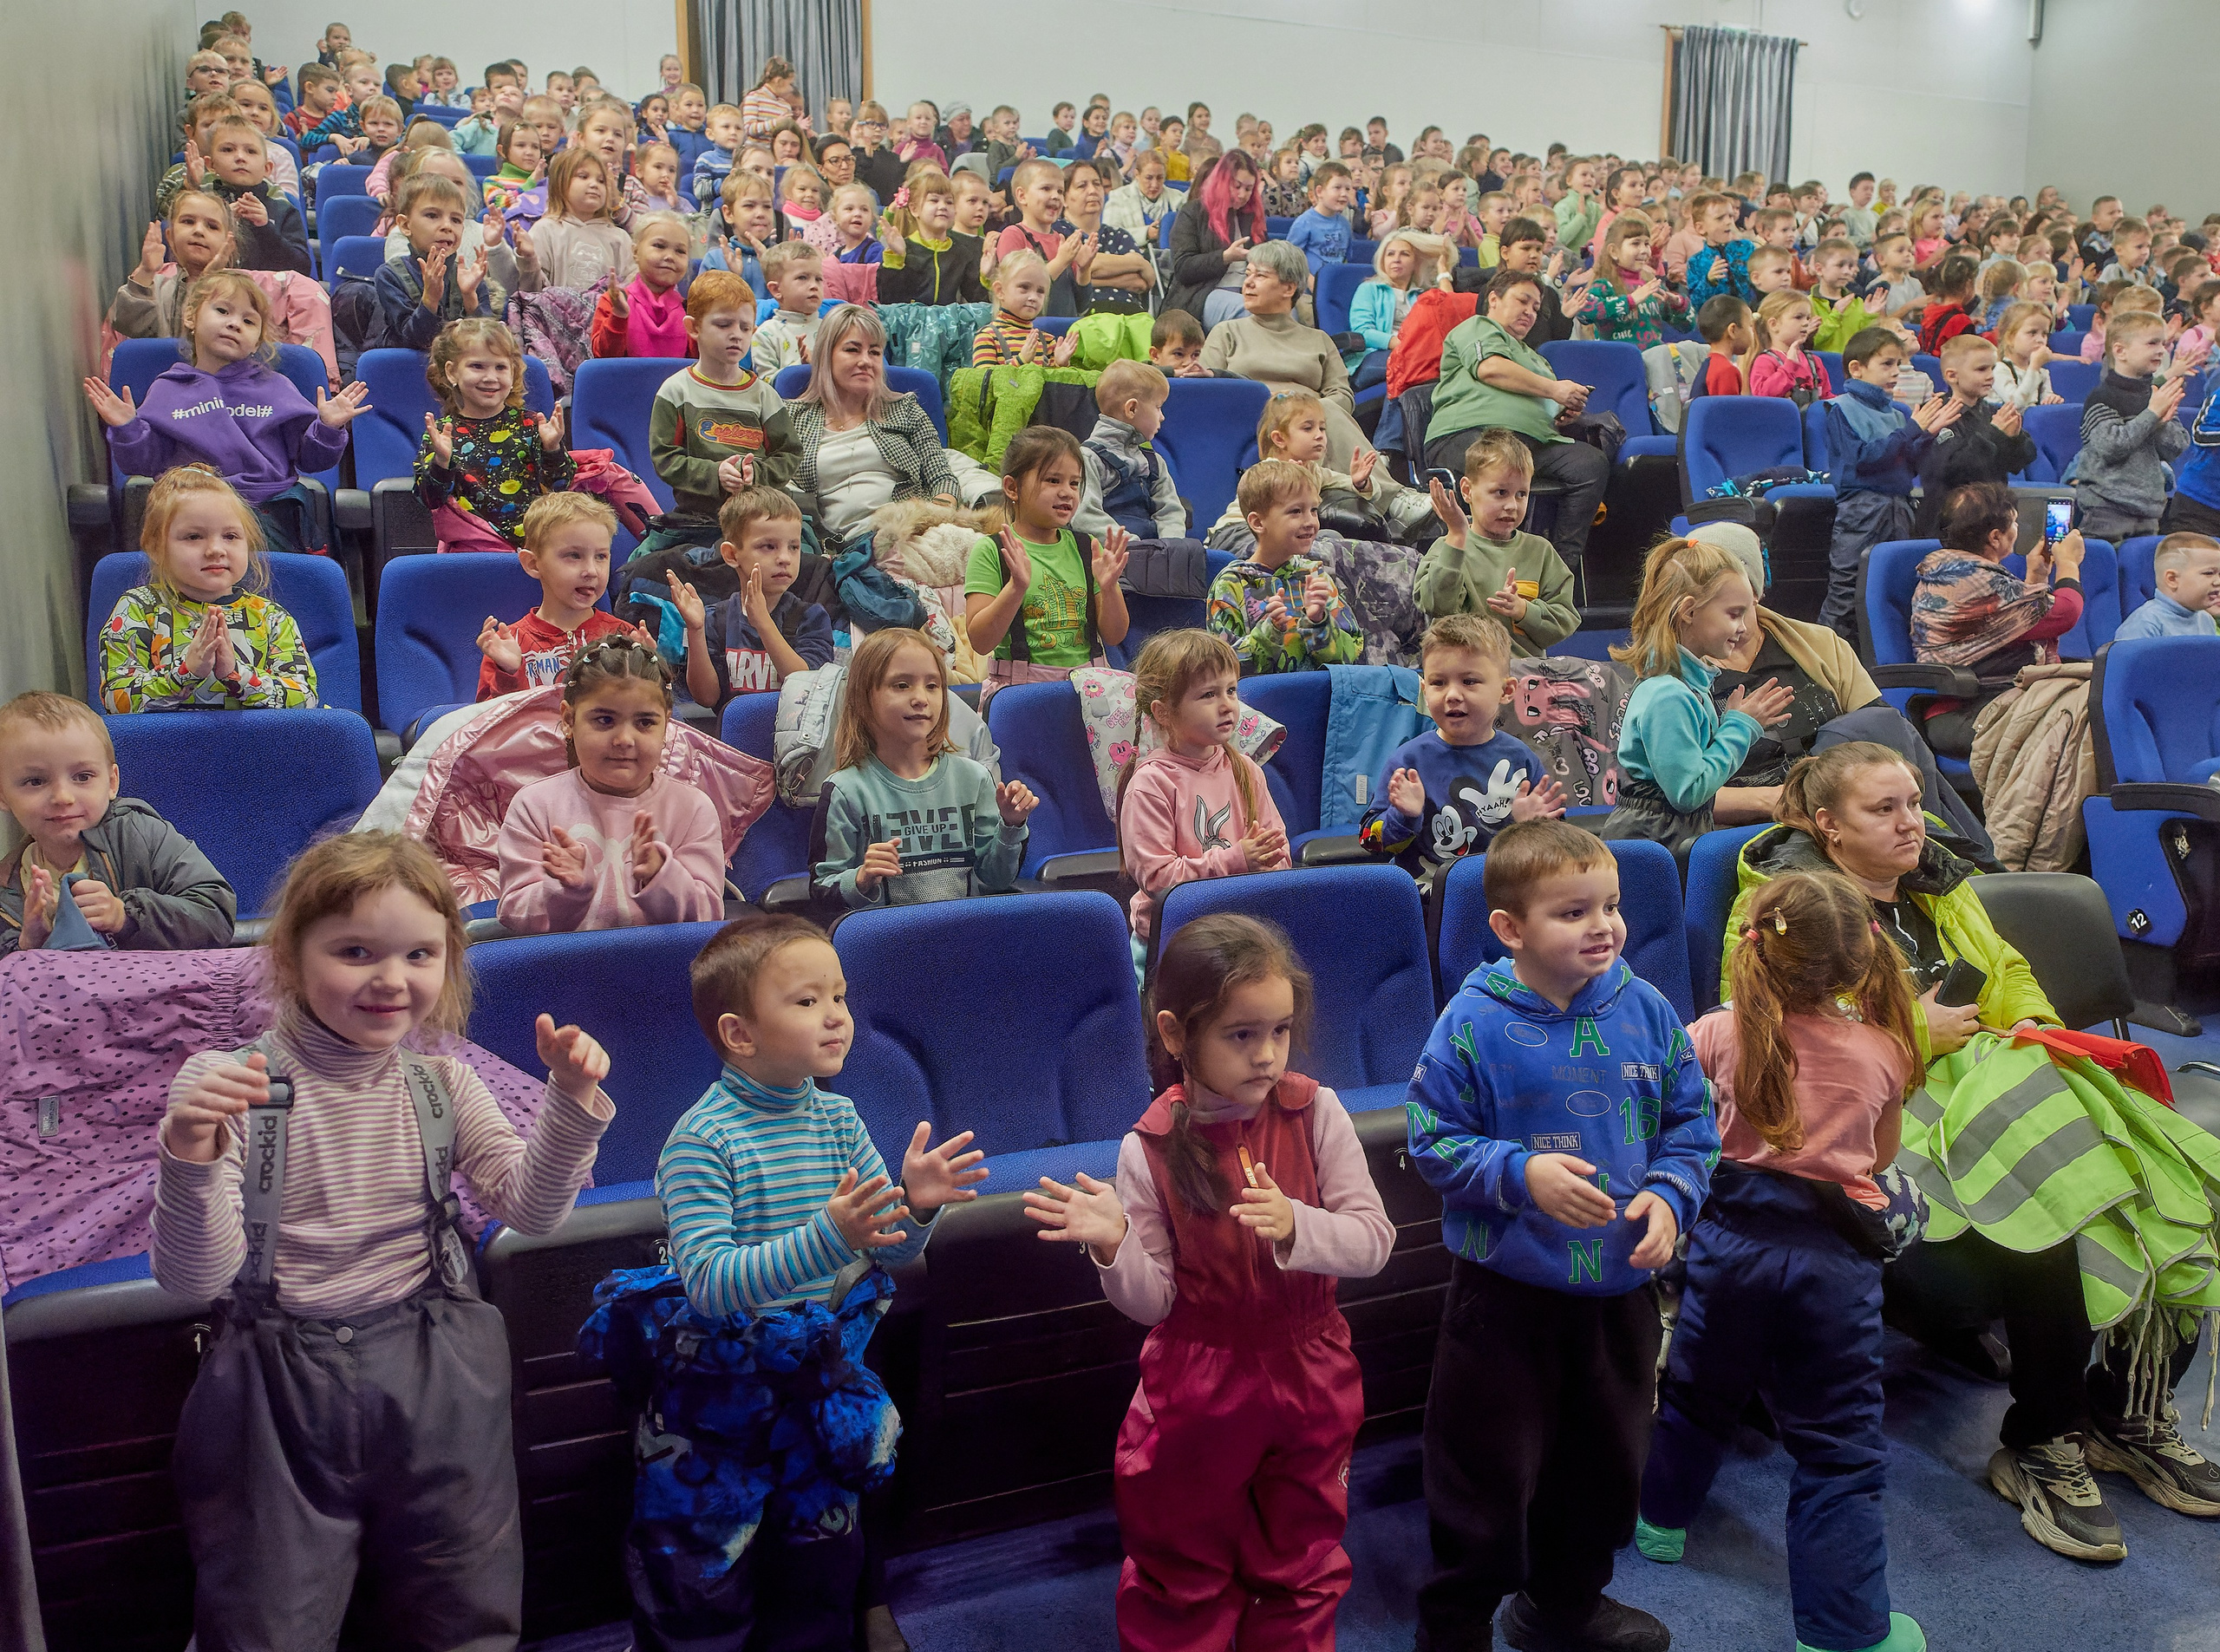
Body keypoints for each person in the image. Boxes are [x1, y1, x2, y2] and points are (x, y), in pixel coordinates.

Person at [1726, 743, 2220, 1562]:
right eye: (1883, 809)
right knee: (2049, 1205)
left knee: (2172, 1174)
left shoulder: (1940, 884)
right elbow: (1771, 1050)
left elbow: (2009, 971)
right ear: (1827, 827)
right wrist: (1917, 1029)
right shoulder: (1784, 910)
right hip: (1889, 1117)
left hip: (1998, 1078)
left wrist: (2027, 1022)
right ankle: (2042, 1440)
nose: (1912, 821)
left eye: (1915, 801)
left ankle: (2128, 1407)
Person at [153, 832, 613, 1647]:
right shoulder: (233, 1083)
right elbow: (197, 1278)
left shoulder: (443, 1081)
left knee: (463, 1605)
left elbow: (531, 1209)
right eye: (355, 950)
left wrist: (571, 1103)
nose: (391, 979)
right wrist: (190, 1155)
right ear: (292, 959)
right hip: (277, 1382)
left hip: (437, 1370)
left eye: (419, 953)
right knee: (266, 1619)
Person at [602, 914, 979, 1647]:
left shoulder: (838, 1119)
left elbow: (889, 1248)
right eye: (807, 1001)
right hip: (720, 1405)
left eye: (838, 995)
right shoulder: (703, 1138)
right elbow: (709, 1282)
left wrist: (918, 1205)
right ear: (740, 1033)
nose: (836, 1015)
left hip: (818, 1386)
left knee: (818, 1574)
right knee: (702, 1585)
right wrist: (829, 1239)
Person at [1022, 911, 1391, 1646]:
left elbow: (1375, 1242)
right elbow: (1152, 1300)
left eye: (1280, 1031)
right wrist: (1114, 1245)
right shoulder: (1149, 1147)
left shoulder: (1316, 1111)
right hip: (1200, 1385)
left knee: (1304, 1559)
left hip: (1311, 1370)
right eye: (1241, 1034)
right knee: (1181, 1565)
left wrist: (1298, 1224)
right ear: (1174, 1033)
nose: (1267, 1055)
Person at [1408, 817, 1717, 1652]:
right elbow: (1431, 1140)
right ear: (1510, 928)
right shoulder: (1471, 1022)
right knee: (1484, 1481)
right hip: (1503, 1302)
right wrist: (1519, 1174)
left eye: (1610, 906)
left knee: (1606, 1471)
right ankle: (1458, 1626)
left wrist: (1668, 1194)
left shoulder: (1646, 1007)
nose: (1604, 926)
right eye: (1573, 912)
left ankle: (1563, 1605)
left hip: (1616, 1296)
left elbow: (1692, 1123)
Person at [1637, 870, 1929, 1652]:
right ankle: (1843, 1632)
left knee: (1697, 1396)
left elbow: (1672, 1125)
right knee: (1838, 1447)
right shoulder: (1883, 1050)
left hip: (1725, 1246)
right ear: (1864, 959)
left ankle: (1660, 1523)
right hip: (1831, 1269)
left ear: (1754, 944)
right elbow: (1882, 1155)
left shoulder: (1712, 1033)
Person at [84, 272, 361, 554]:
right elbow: (140, 463)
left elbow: (314, 460)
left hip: (265, 511)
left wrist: (328, 427)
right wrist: (127, 428)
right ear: (191, 318)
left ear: (257, 341)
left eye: (248, 321)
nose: (234, 324)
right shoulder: (169, 388)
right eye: (222, 311)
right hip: (191, 510)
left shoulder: (276, 387)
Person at [495, 640, 723, 934]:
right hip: (568, 972)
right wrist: (566, 890)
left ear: (666, 725)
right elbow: (514, 914)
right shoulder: (534, 806)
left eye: (644, 723)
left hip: (662, 970)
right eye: (605, 720)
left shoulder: (694, 808)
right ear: (568, 719)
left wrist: (661, 878)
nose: (624, 739)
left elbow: (708, 916)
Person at [1601, 536, 1795, 857]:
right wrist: (1740, 728)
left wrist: (1732, 725)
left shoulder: (1688, 684)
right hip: (1654, 843)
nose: (1745, 628)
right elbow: (1689, 791)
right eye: (1734, 614)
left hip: (1679, 832)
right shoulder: (1668, 695)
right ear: (1689, 611)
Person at [813, 628, 1034, 908]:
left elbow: (996, 879)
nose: (921, 698)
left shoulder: (974, 778)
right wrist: (860, 878)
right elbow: (821, 889)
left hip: (962, 939)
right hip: (886, 945)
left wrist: (1011, 825)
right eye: (901, 685)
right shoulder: (845, 791)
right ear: (864, 697)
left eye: (932, 686)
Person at [0, 690, 234, 954]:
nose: (63, 797)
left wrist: (125, 917)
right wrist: (26, 946)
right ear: (3, 795)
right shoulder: (7, 882)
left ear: (111, 783)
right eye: (35, 781)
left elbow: (216, 915)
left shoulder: (141, 837)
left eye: (83, 777)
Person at [1425, 268, 1610, 578]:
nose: (1530, 312)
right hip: (1472, 436)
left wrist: (1562, 413)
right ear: (1494, 299)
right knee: (1501, 461)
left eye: (1536, 308)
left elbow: (1543, 400)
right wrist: (1554, 389)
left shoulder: (1537, 359)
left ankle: (1559, 573)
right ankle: (1479, 573)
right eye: (1523, 301)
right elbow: (1490, 369)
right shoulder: (1478, 327)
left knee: (1590, 464)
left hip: (1528, 446)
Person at [1117, 630, 1288, 952]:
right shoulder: (1151, 784)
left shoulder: (1246, 770)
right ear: (1163, 712)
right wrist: (1237, 860)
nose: (1227, 706)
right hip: (1176, 942)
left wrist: (1268, 862)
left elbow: (1278, 852)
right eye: (1208, 695)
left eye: (1232, 691)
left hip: (1244, 933)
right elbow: (1157, 879)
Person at [1360, 615, 1566, 877]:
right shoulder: (1408, 763)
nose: (1453, 695)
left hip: (1506, 901)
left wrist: (1530, 829)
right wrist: (1404, 816)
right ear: (1424, 690)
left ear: (1507, 690)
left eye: (1469, 681)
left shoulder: (1521, 760)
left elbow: (1557, 850)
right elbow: (1370, 841)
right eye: (1438, 683)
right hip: (1429, 905)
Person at [1910, 482, 2085, 756]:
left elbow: (2013, 627)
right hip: (1967, 711)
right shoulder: (1978, 581)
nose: (2017, 530)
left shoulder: (1952, 570)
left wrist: (2037, 576)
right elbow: (2064, 613)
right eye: (2013, 523)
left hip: (1989, 701)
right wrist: (2069, 565)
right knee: (2086, 723)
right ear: (1995, 537)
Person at [965, 427, 1132, 697]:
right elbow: (981, 641)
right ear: (1012, 487)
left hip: (1087, 691)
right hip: (1021, 692)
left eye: (1074, 483)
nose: (1067, 492)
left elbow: (1114, 636)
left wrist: (1110, 587)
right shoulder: (992, 550)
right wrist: (1015, 588)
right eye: (1053, 480)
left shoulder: (1087, 547)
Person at [1819, 326, 1960, 635]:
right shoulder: (1840, 408)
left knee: (1891, 589)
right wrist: (1912, 430)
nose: (1895, 372)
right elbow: (1865, 459)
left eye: (1898, 364)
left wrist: (1928, 434)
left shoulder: (1897, 414)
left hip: (1899, 507)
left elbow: (1907, 465)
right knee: (1847, 591)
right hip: (1862, 511)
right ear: (1856, 368)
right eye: (1886, 364)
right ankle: (1823, 667)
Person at [788, 304, 961, 553]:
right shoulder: (793, 416)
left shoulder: (906, 409)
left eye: (875, 352)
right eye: (852, 349)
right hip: (834, 547)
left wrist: (937, 515)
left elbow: (942, 477)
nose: (866, 361)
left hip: (909, 536)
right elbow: (776, 488)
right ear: (827, 355)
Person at [1199, 241, 1366, 470]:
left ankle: (1378, 494)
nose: (1248, 282)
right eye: (1247, 274)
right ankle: (1393, 496)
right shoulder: (1227, 332)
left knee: (1324, 414)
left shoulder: (1319, 339)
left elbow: (1342, 394)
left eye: (1260, 276)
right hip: (1255, 418)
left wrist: (1308, 411)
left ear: (1289, 288)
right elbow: (1206, 389)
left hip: (1311, 423)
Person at [416, 318, 572, 552]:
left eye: (500, 367)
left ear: (513, 372)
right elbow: (430, 500)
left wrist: (553, 450)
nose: (491, 377)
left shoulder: (531, 424)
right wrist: (441, 462)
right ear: (451, 372)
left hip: (533, 544)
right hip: (472, 547)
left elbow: (561, 486)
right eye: (477, 366)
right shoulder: (441, 434)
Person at [1415, 430, 1579, 651]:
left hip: (1523, 674)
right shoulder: (1447, 547)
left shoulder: (1540, 551)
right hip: (1464, 672)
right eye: (1501, 492)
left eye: (1522, 494)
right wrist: (1457, 535)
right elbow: (1435, 604)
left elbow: (1565, 619)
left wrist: (1523, 610)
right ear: (1467, 490)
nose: (1512, 505)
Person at [672, 487, 834, 708]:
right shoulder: (715, 618)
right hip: (732, 739)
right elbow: (706, 698)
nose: (785, 558)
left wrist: (763, 622)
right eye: (769, 546)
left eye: (794, 547)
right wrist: (696, 630)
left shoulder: (812, 617)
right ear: (731, 554)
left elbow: (805, 687)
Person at [473, 493, 640, 699]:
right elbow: (489, 723)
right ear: (533, 564)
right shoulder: (508, 643)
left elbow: (646, 712)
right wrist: (508, 673)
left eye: (601, 557)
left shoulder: (624, 636)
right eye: (574, 556)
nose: (592, 571)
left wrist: (648, 674)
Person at [1205, 460, 1362, 674]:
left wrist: (1319, 623)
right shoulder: (1232, 584)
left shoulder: (1315, 576)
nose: (1310, 521)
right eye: (1296, 511)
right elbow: (1221, 668)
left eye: (1314, 510)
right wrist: (1269, 633)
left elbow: (1352, 654)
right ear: (1258, 523)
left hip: (1321, 699)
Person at [2077, 311, 2191, 543]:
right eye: (2152, 343)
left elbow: (2176, 448)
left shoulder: (2156, 395)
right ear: (2120, 351)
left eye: (2163, 343)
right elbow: (2111, 447)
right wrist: (2151, 415)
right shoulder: (2102, 397)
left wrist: (2161, 422)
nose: (2161, 350)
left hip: (2149, 511)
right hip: (2107, 510)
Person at [1911, 336, 2037, 535]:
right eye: (1981, 369)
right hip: (1947, 525)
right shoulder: (1937, 415)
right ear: (1952, 376)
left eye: (1992, 368)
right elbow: (1955, 471)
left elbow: (2019, 462)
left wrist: (2015, 438)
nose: (1990, 376)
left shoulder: (1992, 413)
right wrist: (1994, 434)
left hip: (1991, 519)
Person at [369, 174, 500, 352]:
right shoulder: (389, 275)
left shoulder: (470, 279)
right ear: (405, 225)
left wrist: (469, 297)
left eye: (456, 220)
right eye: (432, 215)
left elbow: (485, 344)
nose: (447, 226)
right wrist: (430, 299)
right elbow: (415, 340)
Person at [1075, 360, 1183, 541]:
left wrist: (1170, 548)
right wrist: (1132, 546)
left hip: (1156, 555)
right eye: (1158, 407)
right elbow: (1085, 516)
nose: (1162, 417)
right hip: (1113, 558)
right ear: (1132, 408)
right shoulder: (1087, 458)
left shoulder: (1154, 462)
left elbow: (1170, 511)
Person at [1164, 150, 1265, 327]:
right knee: (1248, 312)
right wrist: (1226, 257)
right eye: (1237, 186)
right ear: (1222, 183)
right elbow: (1183, 268)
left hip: (1248, 291)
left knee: (1287, 311)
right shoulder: (1193, 212)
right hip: (1203, 294)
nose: (1242, 194)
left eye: (1248, 189)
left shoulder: (1252, 217)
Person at [516, 150, 634, 293]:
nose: (594, 184)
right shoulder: (545, 230)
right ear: (561, 184)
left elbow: (632, 287)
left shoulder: (620, 238)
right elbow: (531, 292)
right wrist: (529, 260)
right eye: (583, 176)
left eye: (601, 181)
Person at [1571, 212, 1687, 349]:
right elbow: (1585, 310)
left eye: (1647, 244)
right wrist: (1631, 300)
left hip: (1654, 361)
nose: (1644, 250)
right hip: (1620, 363)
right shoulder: (1605, 284)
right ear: (1614, 251)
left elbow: (1686, 326)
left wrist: (1677, 304)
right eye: (1636, 244)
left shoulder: (1651, 283)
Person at [587, 212, 692, 359]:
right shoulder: (614, 302)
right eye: (659, 246)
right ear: (635, 252)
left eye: (680, 251)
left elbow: (700, 364)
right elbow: (604, 358)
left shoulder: (689, 311)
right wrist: (618, 316)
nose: (670, 256)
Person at [877, 170, 988, 306]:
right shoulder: (906, 250)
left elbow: (979, 302)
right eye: (934, 200)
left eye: (949, 202)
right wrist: (896, 258)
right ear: (914, 209)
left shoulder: (962, 252)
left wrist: (986, 276)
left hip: (948, 324)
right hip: (911, 324)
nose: (942, 207)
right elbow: (888, 301)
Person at [972, 250, 1080, 367]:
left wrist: (1060, 365)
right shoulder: (988, 337)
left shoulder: (1048, 341)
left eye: (1040, 291)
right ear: (1000, 290)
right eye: (1024, 287)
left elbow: (1054, 383)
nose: (1033, 297)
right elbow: (983, 381)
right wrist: (1020, 361)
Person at [2114, 531, 2220, 639]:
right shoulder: (2145, 624)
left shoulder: (2206, 619)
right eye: (2209, 573)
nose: (2218, 582)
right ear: (2172, 579)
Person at [751, 242, 826, 373]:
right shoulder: (766, 334)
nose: (814, 286)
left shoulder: (830, 329)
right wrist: (801, 368)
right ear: (776, 289)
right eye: (803, 278)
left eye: (818, 279)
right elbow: (766, 383)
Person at [1744, 289, 1830, 405]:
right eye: (1798, 317)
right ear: (1774, 324)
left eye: (1808, 318)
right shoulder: (1765, 361)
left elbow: (1826, 397)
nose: (1805, 323)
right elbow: (1763, 397)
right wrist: (1790, 367)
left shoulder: (1814, 361)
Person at [1685, 191, 1759, 308]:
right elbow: (1695, 303)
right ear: (1701, 228)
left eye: (1730, 216)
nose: (1729, 222)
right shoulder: (1696, 262)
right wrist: (1709, 281)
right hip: (1718, 320)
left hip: (1750, 313)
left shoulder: (1746, 248)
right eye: (1720, 218)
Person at [1151, 309, 1209, 378]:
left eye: (1195, 355)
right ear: (1155, 355)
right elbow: (1144, 373)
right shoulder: (1141, 379)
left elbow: (1223, 374)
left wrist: (1210, 373)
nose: (1188, 363)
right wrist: (1171, 372)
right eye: (1179, 354)